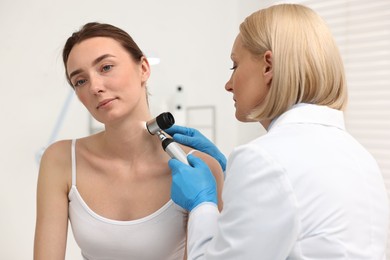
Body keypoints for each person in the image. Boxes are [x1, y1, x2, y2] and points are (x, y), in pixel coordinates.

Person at [165, 4, 389, 259]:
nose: (228, 85)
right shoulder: (359, 157)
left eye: (234, 66)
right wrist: (231, 177)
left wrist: (202, 204)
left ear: (268, 66)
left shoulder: (265, 160)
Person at [33, 22, 224, 260]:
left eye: (106, 67)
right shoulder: (60, 160)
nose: (95, 87)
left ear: (143, 68)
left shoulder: (197, 168)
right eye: (80, 81)